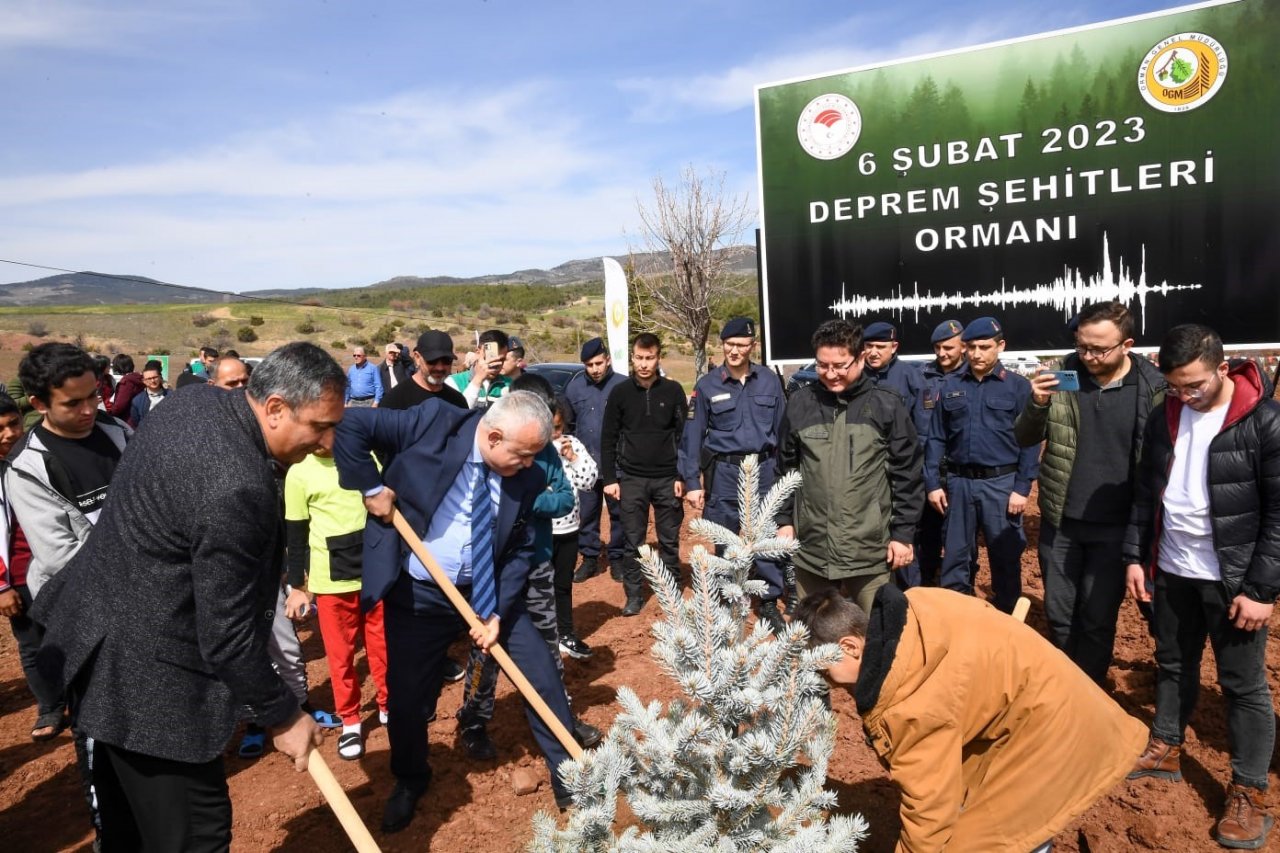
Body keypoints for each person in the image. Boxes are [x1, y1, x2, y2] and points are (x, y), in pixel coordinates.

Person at [31, 342, 342, 851]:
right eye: (319, 427)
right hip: (153, 689)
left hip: (99, 645)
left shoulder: (192, 402)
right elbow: (227, 634)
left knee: (128, 829)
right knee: (194, 837)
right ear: (275, 407)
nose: (327, 442)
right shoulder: (236, 488)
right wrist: (283, 713)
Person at [332, 391, 578, 832]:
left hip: (489, 591)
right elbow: (349, 425)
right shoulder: (432, 421)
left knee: (541, 674)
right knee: (407, 697)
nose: (528, 467)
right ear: (494, 435)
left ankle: (570, 778)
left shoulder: (526, 474)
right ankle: (410, 778)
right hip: (419, 593)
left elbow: (521, 548)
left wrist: (498, 611)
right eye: (521, 456)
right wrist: (370, 487)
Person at [793, 585, 1147, 851]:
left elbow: (928, 815)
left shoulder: (908, 706)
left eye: (825, 671)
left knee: (988, 841)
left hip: (1055, 734)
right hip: (1041, 699)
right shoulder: (915, 606)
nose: (827, 682)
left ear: (850, 646)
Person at [1123, 324, 1279, 850]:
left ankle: (1249, 789)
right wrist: (1137, 557)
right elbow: (1147, 493)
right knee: (1172, 662)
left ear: (1221, 366)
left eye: (1194, 385)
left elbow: (1279, 516)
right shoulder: (1164, 415)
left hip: (1232, 578)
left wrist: (1261, 589)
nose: (1185, 395)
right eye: (1175, 386)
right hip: (1172, 568)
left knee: (1243, 685)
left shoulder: (1264, 421)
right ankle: (1166, 744)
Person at [1014, 301, 1165, 685]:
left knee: (1098, 619)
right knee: (1061, 615)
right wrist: (1036, 403)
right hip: (1062, 521)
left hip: (1116, 528)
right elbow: (1026, 436)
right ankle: (1066, 688)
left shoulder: (1152, 388)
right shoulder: (1062, 376)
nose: (1089, 356)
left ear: (1126, 344)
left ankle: (1091, 690)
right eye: (1082, 346)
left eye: (1099, 349)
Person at [455, 374, 601, 762]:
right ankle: (473, 719)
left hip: (536, 564)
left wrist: (526, 500)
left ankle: (559, 718)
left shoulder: (547, 455)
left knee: (547, 646)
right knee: (485, 647)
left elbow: (565, 500)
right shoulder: (493, 448)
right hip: (492, 568)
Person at [775, 319, 923, 614]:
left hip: (869, 549)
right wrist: (784, 521)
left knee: (879, 633)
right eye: (822, 365)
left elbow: (907, 474)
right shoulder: (800, 403)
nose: (831, 374)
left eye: (840, 365)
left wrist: (903, 535)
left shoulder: (886, 405)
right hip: (812, 548)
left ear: (861, 358)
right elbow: (786, 468)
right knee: (811, 632)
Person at [924, 317, 1038, 613]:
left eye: (984, 347)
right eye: (971, 347)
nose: (977, 353)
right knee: (955, 560)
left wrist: (1022, 488)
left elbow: (1030, 441)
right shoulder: (949, 386)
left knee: (1004, 558)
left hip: (1001, 485)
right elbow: (936, 437)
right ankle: (957, 624)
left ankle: (1006, 630)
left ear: (1000, 346)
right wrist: (933, 484)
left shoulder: (1017, 387)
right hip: (959, 485)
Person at [680, 317, 787, 630]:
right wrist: (692, 482)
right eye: (730, 344)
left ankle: (768, 600)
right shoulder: (707, 385)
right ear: (722, 344)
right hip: (725, 471)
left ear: (752, 346)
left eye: (742, 345)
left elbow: (782, 431)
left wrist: (783, 475)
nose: (735, 350)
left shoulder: (769, 380)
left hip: (765, 469)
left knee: (765, 536)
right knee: (725, 538)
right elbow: (692, 437)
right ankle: (727, 599)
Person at [284, 447, 390, 761]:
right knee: (340, 655)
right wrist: (298, 586)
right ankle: (351, 721)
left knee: (382, 644)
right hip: (330, 583)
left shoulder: (367, 456)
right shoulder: (299, 473)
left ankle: (388, 705)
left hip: (373, 572)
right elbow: (296, 533)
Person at [6, 343, 131, 597]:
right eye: (72, 403)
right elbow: (59, 557)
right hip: (84, 599)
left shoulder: (118, 431)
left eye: (92, 396)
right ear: (39, 404)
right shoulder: (26, 467)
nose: (88, 409)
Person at [600, 333, 688, 616]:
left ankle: (671, 592)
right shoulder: (620, 393)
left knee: (669, 540)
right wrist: (611, 479)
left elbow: (683, 436)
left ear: (658, 357)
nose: (644, 364)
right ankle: (634, 595)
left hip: (666, 478)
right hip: (631, 479)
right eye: (639, 358)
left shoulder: (673, 392)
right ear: (632, 357)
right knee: (633, 541)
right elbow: (608, 437)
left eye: (649, 358)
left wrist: (681, 476)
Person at [0, 396, 65, 742]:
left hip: (56, 564)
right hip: (17, 575)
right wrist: (1, 586)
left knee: (73, 631)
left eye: (13, 423)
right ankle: (51, 706)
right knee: (32, 643)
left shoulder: (37, 457)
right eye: (0, 429)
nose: (9, 434)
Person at [562, 337, 627, 583]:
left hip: (616, 465)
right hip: (584, 464)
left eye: (599, 363)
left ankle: (618, 559)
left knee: (618, 514)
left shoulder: (623, 385)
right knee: (586, 514)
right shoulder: (575, 388)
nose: (595, 369)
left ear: (608, 359)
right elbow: (567, 424)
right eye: (589, 365)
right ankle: (589, 558)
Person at [916, 319, 970, 587]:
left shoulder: (973, 376)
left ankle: (962, 587)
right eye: (937, 348)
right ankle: (927, 582)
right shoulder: (922, 376)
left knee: (960, 537)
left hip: (960, 469)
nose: (941, 353)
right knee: (926, 532)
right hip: (927, 468)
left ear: (963, 346)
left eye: (948, 347)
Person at [548, 396, 599, 659]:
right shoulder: (533, 450)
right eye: (550, 428)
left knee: (563, 583)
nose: (555, 434)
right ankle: (541, 637)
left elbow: (589, 480)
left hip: (568, 528)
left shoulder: (572, 445)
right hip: (542, 531)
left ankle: (565, 634)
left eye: (558, 428)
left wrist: (573, 456)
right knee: (538, 586)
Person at [379, 330, 468, 411]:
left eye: (446, 360)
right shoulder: (393, 402)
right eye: (432, 360)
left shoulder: (458, 402)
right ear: (417, 358)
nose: (440, 367)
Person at [446, 329, 512, 408]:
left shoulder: (510, 385)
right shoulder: (454, 382)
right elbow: (457, 415)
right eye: (490, 358)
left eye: (501, 360)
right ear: (477, 352)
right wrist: (478, 380)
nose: (495, 365)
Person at [129, 360, 171, 428]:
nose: (152, 381)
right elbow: (136, 422)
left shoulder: (172, 396)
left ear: (160, 377)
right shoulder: (137, 401)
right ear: (144, 381)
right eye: (149, 378)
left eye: (155, 377)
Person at [105, 354, 144, 421]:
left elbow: (120, 405)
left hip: (127, 419)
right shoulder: (137, 378)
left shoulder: (127, 382)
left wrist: (109, 415)